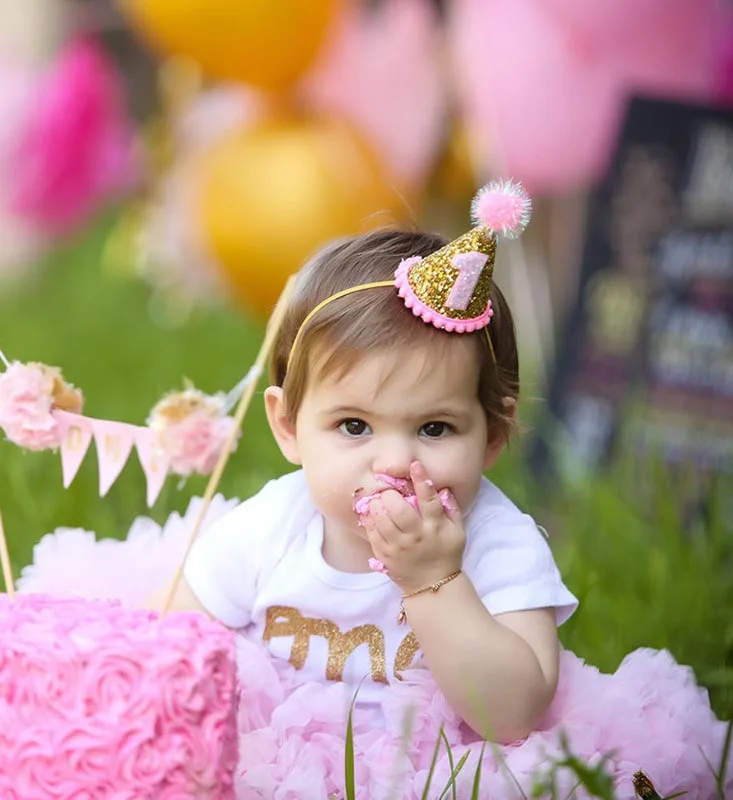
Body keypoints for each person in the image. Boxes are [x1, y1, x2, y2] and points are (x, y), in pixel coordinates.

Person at [150, 180, 579, 743]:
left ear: (493, 436)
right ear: (288, 428)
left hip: (429, 770)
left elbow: (513, 717)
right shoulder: (273, 527)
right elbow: (172, 651)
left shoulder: (500, 545)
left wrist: (435, 580)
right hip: (279, 767)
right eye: (354, 426)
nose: (396, 461)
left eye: (434, 428)